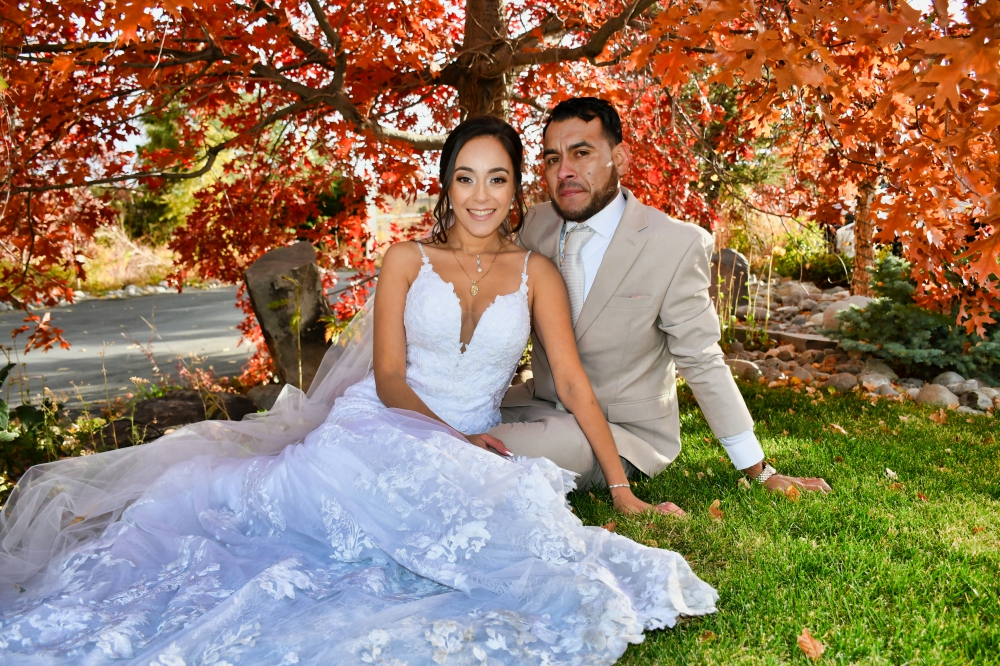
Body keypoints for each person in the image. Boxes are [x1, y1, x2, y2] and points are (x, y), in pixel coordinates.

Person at [0, 116, 717, 664]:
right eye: (465, 178)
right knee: (274, 524)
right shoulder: (407, 258)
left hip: (467, 440)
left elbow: (576, 387)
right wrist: (457, 439)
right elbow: (390, 378)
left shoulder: (538, 275)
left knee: (526, 548)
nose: (480, 196)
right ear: (446, 185)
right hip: (384, 423)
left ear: (515, 189)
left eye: (497, 179)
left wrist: (621, 488)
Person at [492, 98, 831, 509]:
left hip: (622, 434)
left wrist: (760, 470)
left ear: (619, 158)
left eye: (581, 153)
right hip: (537, 403)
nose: (564, 171)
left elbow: (702, 360)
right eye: (552, 158)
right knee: (431, 423)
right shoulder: (537, 223)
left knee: (477, 447)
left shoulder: (675, 244)